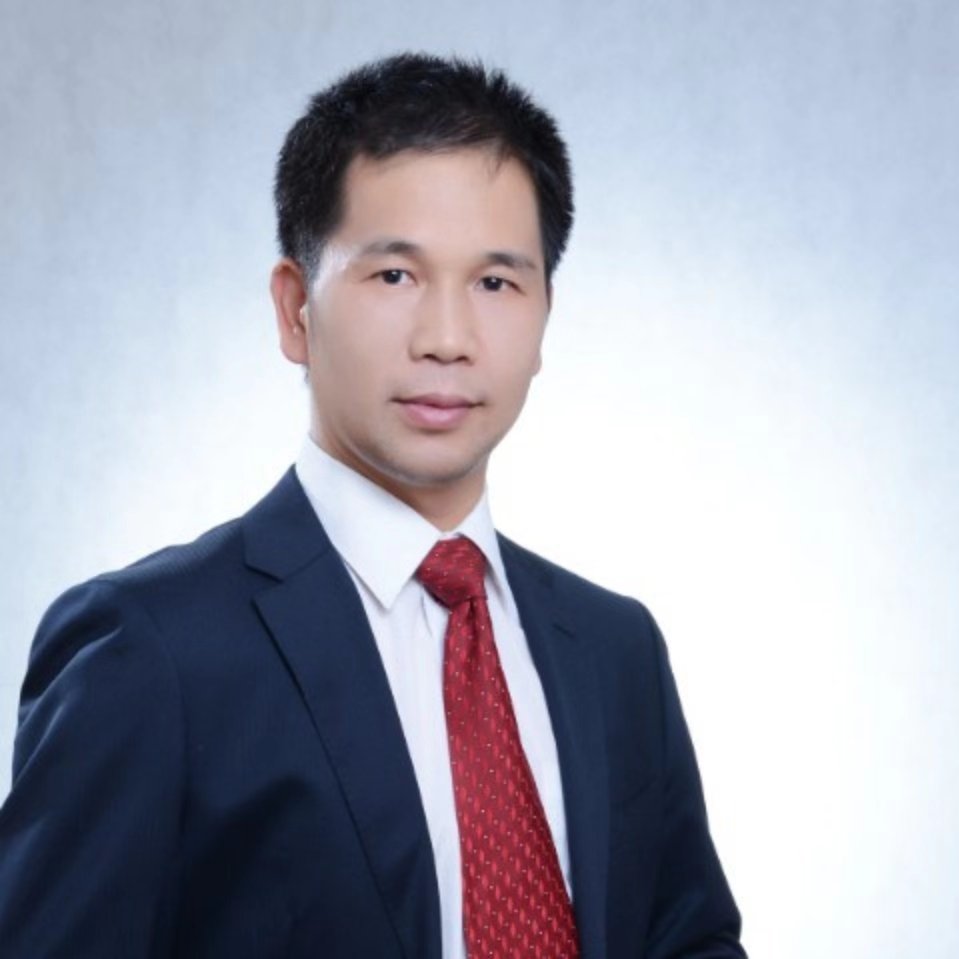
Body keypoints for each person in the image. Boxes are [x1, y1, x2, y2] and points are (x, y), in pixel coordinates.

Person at [0, 53, 747, 958]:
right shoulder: (152, 650)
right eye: (394, 275)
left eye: (495, 282)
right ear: (294, 310)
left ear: (545, 314)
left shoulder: (615, 649)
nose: (447, 339)